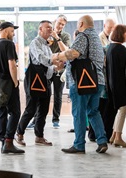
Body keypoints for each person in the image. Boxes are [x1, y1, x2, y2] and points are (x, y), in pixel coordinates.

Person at [52, 15, 108, 154]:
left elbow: (73, 53)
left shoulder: (83, 36)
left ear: (81, 23)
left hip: (83, 82)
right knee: (93, 112)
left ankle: (79, 145)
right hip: (98, 81)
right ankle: (102, 141)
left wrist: (56, 56)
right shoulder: (95, 37)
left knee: (79, 113)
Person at [16, 20, 63, 147]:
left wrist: (55, 67)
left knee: (43, 109)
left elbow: (48, 65)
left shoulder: (47, 45)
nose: (50, 29)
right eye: (47, 27)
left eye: (51, 28)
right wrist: (54, 61)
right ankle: (19, 133)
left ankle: (39, 136)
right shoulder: (35, 43)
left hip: (46, 80)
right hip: (34, 80)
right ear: (40, 29)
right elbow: (41, 59)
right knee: (31, 109)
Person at [0, 21, 24, 154]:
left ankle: (3, 142)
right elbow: (12, 64)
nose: (13, 33)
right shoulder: (8, 44)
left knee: (1, 112)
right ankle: (9, 141)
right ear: (3, 30)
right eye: (11, 31)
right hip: (8, 84)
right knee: (15, 112)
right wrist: (15, 82)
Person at [106, 24, 126, 147]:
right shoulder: (121, 49)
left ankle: (113, 135)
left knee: (119, 110)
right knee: (123, 109)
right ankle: (118, 137)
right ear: (121, 34)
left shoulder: (110, 47)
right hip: (120, 83)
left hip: (112, 83)